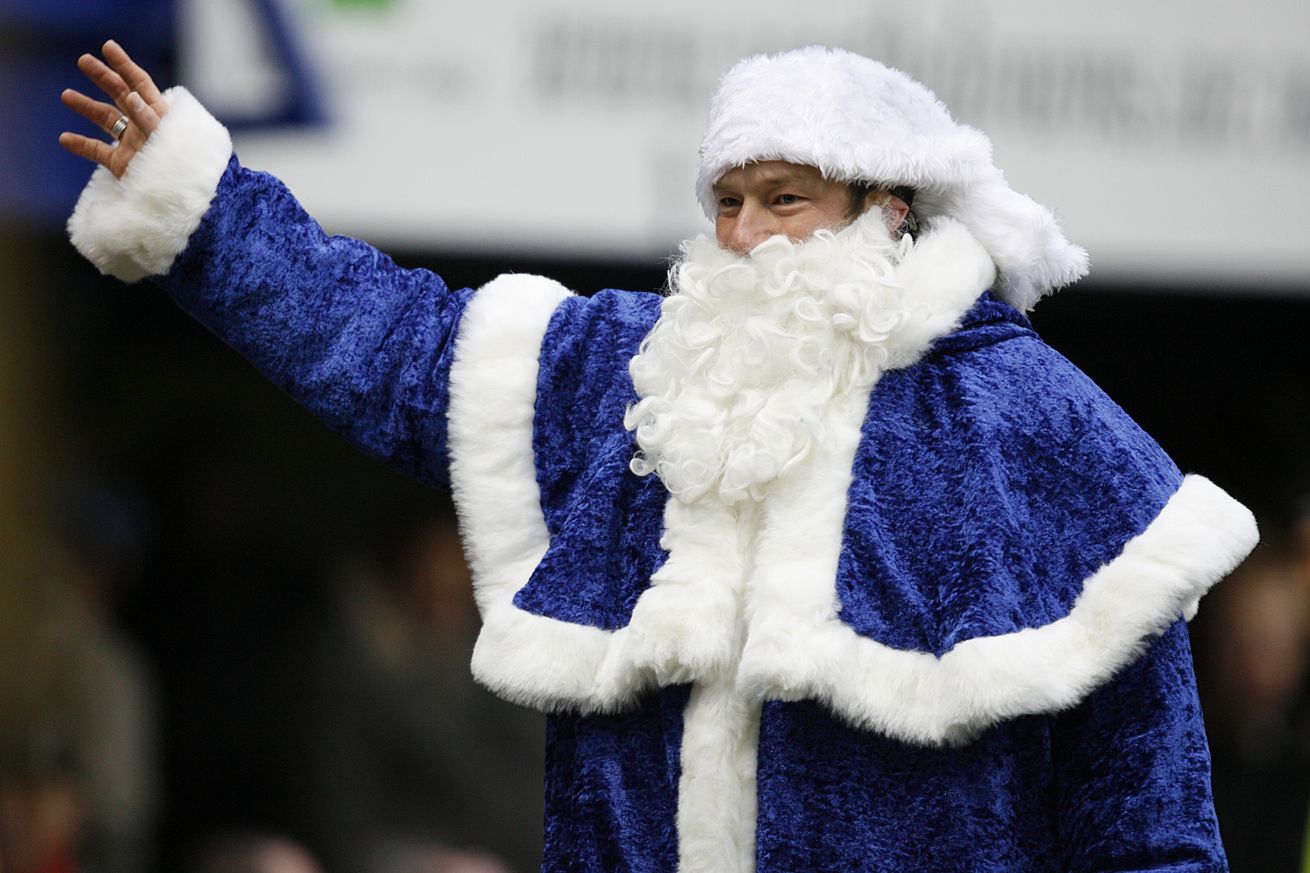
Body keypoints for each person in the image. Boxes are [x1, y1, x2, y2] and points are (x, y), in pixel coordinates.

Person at [59, 41, 1258, 872]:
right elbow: (394, 345)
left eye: (781, 199)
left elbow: (1145, 817)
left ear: (890, 210)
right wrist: (202, 207)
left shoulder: (1034, 425)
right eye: (724, 202)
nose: (740, 237)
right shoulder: (636, 375)